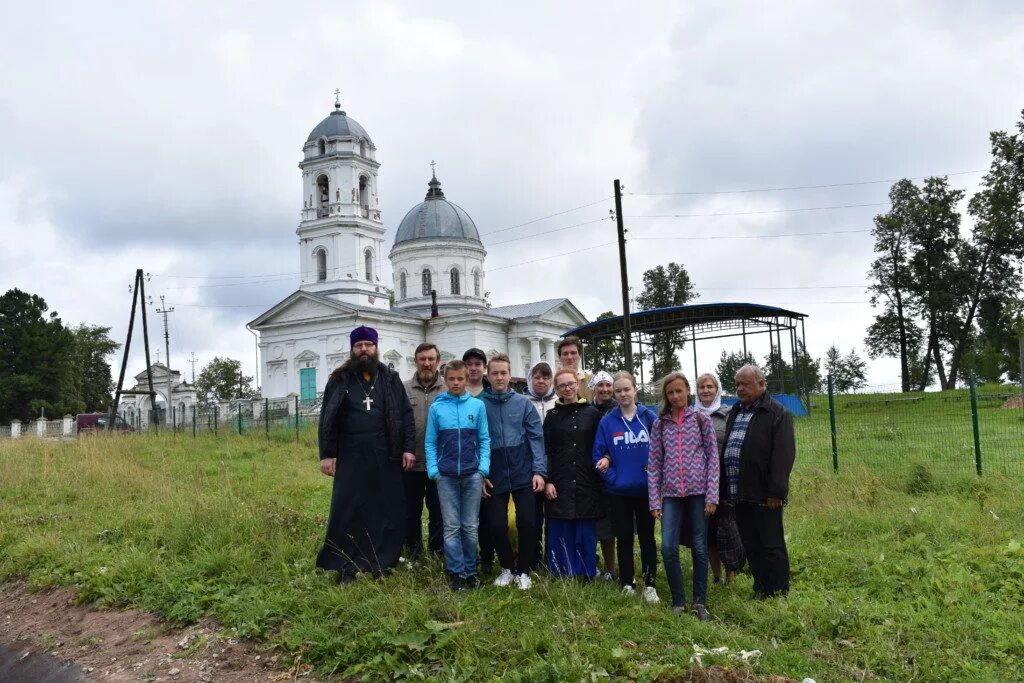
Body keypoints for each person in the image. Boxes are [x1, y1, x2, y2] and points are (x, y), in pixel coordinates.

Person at [316, 326, 415, 582]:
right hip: (351, 453)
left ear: (375, 347)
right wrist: (327, 454)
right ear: (352, 349)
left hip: (385, 452)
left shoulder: (390, 378)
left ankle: (382, 562)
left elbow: (404, 415)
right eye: (358, 345)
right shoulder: (339, 379)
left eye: (368, 345)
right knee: (349, 509)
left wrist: (407, 448)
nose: (363, 350)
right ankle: (347, 565)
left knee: (384, 508)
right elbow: (327, 417)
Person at [648, 371, 719, 621]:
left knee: (700, 547)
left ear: (688, 391)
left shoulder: (701, 420)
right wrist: (654, 501)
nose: (676, 396)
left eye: (680, 391)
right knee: (668, 547)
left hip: (700, 493)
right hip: (671, 496)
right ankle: (678, 600)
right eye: (671, 392)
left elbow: (713, 458)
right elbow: (654, 464)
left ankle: (700, 601)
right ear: (666, 396)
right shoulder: (660, 424)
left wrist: (712, 496)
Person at [723, 364, 795, 599]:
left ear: (762, 385)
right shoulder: (736, 411)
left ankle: (779, 589)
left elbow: (783, 455)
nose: (740, 388)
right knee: (751, 542)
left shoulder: (776, 413)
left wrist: (777, 492)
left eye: (745, 384)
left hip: (765, 493)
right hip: (740, 490)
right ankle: (761, 586)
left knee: (771, 543)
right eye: (737, 385)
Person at [593, 371, 660, 602]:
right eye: (618, 390)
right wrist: (614, 479)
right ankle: (628, 582)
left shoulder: (649, 418)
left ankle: (650, 584)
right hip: (619, 492)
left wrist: (655, 481)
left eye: (626, 389)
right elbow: (598, 455)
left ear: (635, 390)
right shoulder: (607, 421)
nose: (622, 394)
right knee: (623, 538)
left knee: (647, 538)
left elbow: (662, 452)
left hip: (645, 491)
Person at [481, 353, 546, 590]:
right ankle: (507, 568)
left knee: (528, 522)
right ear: (488, 375)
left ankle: (524, 571)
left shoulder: (523, 404)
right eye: (495, 373)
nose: (499, 377)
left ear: (510, 375)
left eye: (503, 373)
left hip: (523, 470)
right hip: (493, 473)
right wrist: (480, 473)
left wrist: (538, 470)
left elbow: (536, 438)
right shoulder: (479, 404)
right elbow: (474, 441)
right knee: (496, 524)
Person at [425, 360, 491, 590]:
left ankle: (471, 571)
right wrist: (435, 471)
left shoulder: (476, 406)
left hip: (473, 475)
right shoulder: (437, 407)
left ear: (466, 379)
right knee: (451, 526)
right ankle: (456, 573)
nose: (455, 383)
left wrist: (483, 468)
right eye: (451, 379)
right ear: (445, 379)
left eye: (459, 379)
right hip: (446, 476)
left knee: (470, 526)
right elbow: (430, 442)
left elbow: (484, 439)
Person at [544, 367, 603, 579]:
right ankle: (561, 570)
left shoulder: (592, 413)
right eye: (561, 385)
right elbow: (547, 449)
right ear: (556, 389)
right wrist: (548, 480)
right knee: (561, 525)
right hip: (559, 479)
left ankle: (586, 571)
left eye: (570, 384)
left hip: (586, 479)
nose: (567, 388)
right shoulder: (552, 416)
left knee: (585, 527)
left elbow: (600, 446)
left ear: (577, 385)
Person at [694, 371, 744, 584]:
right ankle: (716, 575)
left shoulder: (729, 413)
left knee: (728, 526)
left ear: (717, 390)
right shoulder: (691, 414)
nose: (706, 391)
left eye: (710, 387)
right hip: (699, 479)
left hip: (724, 478)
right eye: (702, 387)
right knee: (709, 529)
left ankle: (731, 572)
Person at [401, 342, 446, 561]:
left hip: (440, 465)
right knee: (411, 513)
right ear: (416, 361)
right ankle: (414, 554)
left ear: (438, 361)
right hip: (411, 464)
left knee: (438, 512)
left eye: (431, 359)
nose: (426, 363)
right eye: (422, 359)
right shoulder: (403, 389)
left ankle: (437, 552)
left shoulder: (449, 389)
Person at [463, 347, 495, 573]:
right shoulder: (457, 393)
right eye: (470, 364)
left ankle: (487, 558)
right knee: (464, 516)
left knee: (486, 515)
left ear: (484, 368)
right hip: (461, 463)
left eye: (478, 364)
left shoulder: (491, 394)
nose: (474, 368)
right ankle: (467, 558)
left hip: (487, 461)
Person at [523, 360, 556, 569]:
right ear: (530, 379)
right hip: (530, 468)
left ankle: (553, 558)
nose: (541, 381)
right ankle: (533, 557)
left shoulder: (559, 402)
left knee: (553, 516)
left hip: (555, 467)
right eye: (537, 377)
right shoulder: (523, 402)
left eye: (545, 377)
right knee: (532, 517)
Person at [588, 369, 617, 582]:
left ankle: (610, 567)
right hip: (589, 474)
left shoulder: (618, 410)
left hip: (611, 472)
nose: (605, 389)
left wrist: (608, 457)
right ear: (594, 388)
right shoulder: (588, 411)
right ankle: (591, 563)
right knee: (589, 523)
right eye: (601, 385)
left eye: (608, 385)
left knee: (608, 526)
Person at [557, 336, 593, 401]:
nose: (569, 357)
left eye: (573, 353)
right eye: (565, 354)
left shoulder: (591, 381)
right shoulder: (553, 383)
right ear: (560, 357)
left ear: (580, 355)